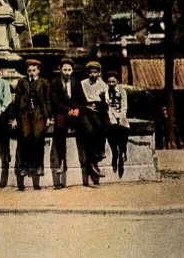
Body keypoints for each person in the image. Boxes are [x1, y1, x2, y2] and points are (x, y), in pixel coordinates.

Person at [49, 58, 102, 187]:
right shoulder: (55, 82)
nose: (67, 72)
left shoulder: (76, 81)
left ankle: (91, 163)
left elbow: (82, 100)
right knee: (59, 128)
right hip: (62, 112)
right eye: (64, 70)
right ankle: (62, 161)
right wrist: (68, 110)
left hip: (76, 112)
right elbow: (54, 101)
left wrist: (78, 109)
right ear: (60, 70)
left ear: (72, 70)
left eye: (69, 70)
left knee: (88, 129)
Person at [12, 59, 50, 190]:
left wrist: (49, 117)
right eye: (29, 71)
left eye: (34, 70)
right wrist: (14, 118)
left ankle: (39, 165)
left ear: (38, 71)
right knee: (24, 137)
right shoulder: (22, 82)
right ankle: (23, 166)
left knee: (38, 137)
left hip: (38, 112)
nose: (31, 73)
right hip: (25, 112)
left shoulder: (44, 82)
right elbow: (17, 100)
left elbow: (47, 100)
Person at [81, 60, 109, 164]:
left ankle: (101, 148)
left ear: (99, 73)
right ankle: (95, 152)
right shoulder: (83, 84)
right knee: (94, 126)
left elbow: (106, 99)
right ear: (87, 73)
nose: (93, 75)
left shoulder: (102, 85)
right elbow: (80, 98)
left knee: (105, 124)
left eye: (95, 72)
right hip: (87, 108)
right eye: (91, 72)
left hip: (99, 108)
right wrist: (87, 105)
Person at [105, 70, 130, 175]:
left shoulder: (122, 91)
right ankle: (115, 151)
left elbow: (124, 106)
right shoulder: (106, 91)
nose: (111, 84)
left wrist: (122, 117)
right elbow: (108, 106)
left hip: (120, 113)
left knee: (124, 128)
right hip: (111, 113)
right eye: (109, 82)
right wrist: (112, 117)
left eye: (113, 82)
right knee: (112, 127)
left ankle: (123, 151)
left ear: (117, 82)